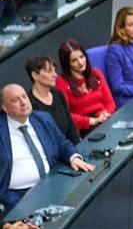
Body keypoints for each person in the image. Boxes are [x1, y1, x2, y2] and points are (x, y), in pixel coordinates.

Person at [0, 80, 86, 210]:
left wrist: (73, 157)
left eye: (24, 96)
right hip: (17, 194)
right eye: (15, 100)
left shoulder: (43, 119)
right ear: (5, 108)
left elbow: (61, 143)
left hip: (51, 182)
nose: (23, 102)